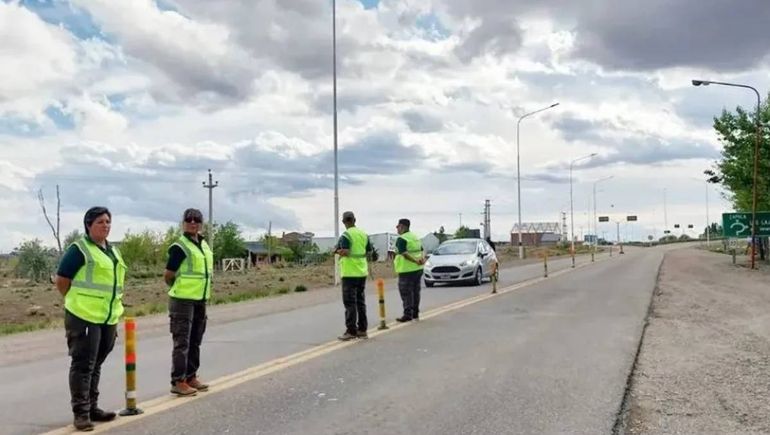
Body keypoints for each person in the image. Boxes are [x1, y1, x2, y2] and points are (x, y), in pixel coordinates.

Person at [55, 207, 127, 431]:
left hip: (107, 317)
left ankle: (93, 407)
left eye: (108, 221)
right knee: (83, 365)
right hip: (83, 316)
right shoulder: (79, 249)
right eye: (100, 222)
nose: (105, 225)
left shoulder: (113, 251)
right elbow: (62, 280)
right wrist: (76, 302)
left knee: (96, 364)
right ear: (88, 225)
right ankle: (81, 413)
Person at [164, 208, 214, 396]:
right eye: (189, 220)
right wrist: (179, 288)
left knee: (195, 340)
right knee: (182, 342)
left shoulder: (203, 245)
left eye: (197, 220)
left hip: (200, 299)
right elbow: (168, 275)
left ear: (201, 224)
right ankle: (178, 380)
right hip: (182, 300)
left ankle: (191, 376)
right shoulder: (180, 247)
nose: (193, 223)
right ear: (183, 223)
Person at [335, 211, 373, 340]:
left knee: (350, 303)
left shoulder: (346, 235)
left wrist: (337, 251)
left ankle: (351, 331)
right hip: (361, 271)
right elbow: (369, 251)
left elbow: (345, 251)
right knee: (360, 301)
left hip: (349, 273)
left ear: (343, 221)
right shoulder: (364, 234)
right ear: (355, 220)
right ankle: (362, 329)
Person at [394, 218, 425, 322]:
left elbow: (404, 253)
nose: (397, 228)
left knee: (406, 293)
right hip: (418, 269)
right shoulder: (415, 237)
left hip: (406, 270)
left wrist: (415, 260)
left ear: (402, 227)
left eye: (398, 226)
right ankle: (415, 314)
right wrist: (422, 259)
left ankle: (408, 314)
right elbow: (422, 250)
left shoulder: (402, 239)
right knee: (416, 292)